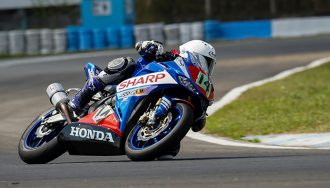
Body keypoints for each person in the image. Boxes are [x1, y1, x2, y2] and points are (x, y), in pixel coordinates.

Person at [69, 40, 216, 132]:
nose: (208, 68)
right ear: (195, 55)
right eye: (207, 62)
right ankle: (80, 98)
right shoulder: (171, 57)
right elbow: (141, 46)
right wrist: (150, 47)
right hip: (125, 83)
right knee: (126, 62)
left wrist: (199, 113)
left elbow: (197, 127)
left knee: (170, 152)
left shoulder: (197, 85)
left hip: (153, 100)